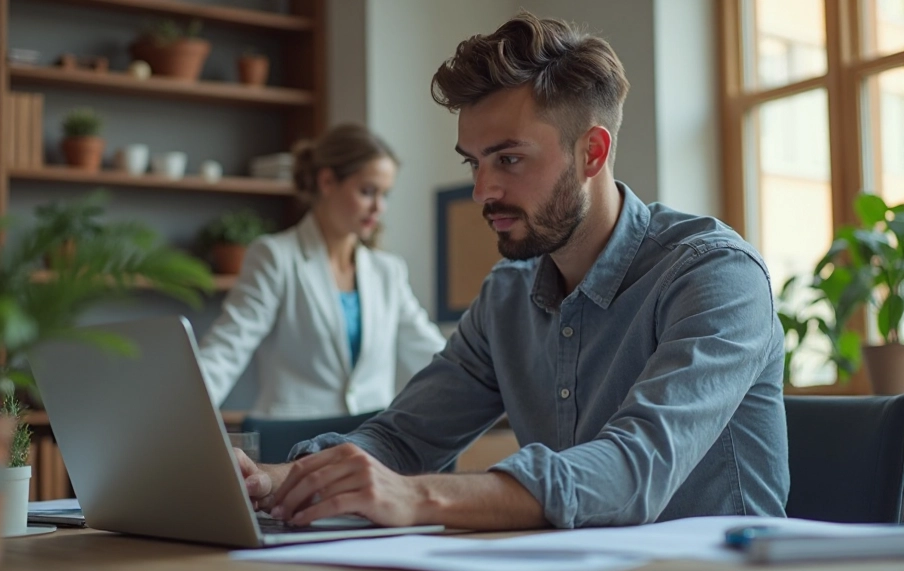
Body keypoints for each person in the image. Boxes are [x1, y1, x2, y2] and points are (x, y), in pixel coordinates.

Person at [237, 12, 789, 530]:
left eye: (508, 159)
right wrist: (270, 482)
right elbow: (403, 439)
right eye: (473, 163)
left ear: (592, 153)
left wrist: (416, 497)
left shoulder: (716, 275)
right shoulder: (507, 298)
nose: (482, 191)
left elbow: (634, 468)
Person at [197, 124, 446, 418]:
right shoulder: (275, 257)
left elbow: (430, 354)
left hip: (371, 446)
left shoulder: (387, 271)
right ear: (327, 181)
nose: (379, 207)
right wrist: (170, 420)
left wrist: (494, 384)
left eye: (386, 194)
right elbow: (227, 350)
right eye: (368, 191)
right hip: (292, 447)